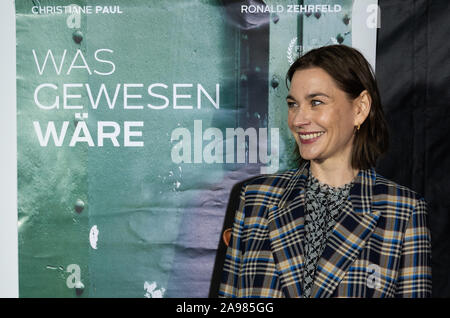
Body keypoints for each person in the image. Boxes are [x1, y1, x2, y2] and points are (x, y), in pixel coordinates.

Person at [218, 45, 432, 298]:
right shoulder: (256, 198)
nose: (298, 119)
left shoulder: (403, 211)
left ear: (360, 108)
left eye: (316, 102)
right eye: (293, 104)